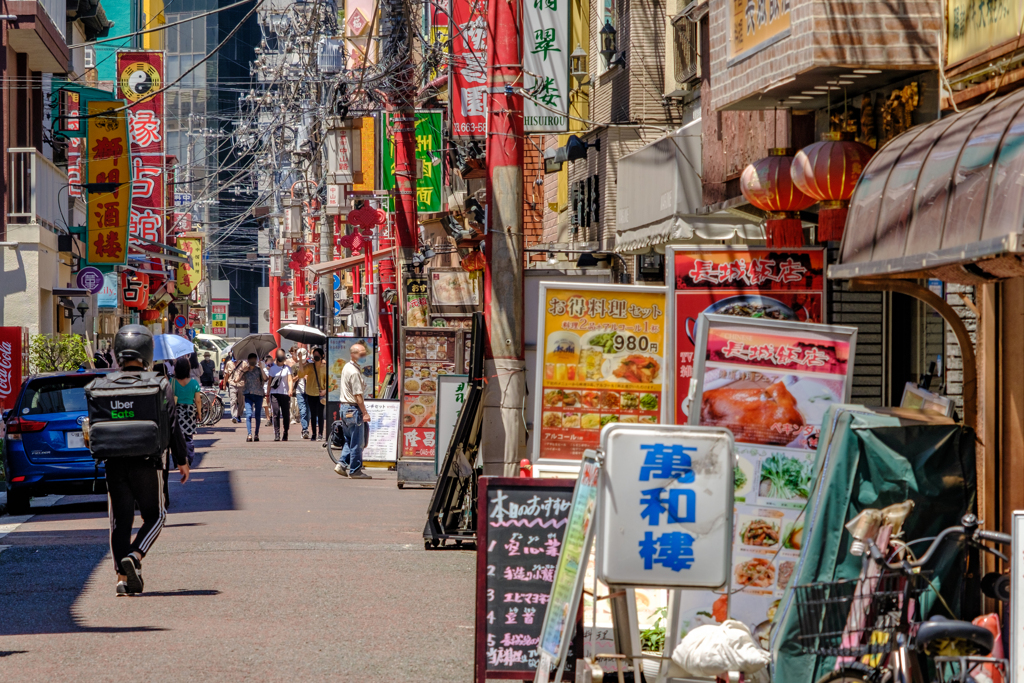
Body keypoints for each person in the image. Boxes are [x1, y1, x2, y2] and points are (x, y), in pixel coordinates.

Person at [102, 325, 190, 596]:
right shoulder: (159, 385)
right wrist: (182, 459)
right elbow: (172, 424)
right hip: (148, 462)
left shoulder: (105, 385)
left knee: (120, 522)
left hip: (114, 461)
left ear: (118, 353)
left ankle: (121, 577)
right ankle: (136, 556)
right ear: (148, 353)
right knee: (156, 516)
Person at [333, 342, 372, 479]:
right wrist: (365, 412)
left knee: (349, 439)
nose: (364, 357)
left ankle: (342, 464)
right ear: (353, 355)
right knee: (357, 442)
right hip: (353, 409)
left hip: (344, 408)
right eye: (361, 355)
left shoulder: (347, 367)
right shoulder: (354, 372)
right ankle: (355, 470)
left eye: (364, 354)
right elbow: (358, 396)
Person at [173, 356, 203, 466]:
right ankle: (189, 460)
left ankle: (177, 462)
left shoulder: (172, 382)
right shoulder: (194, 383)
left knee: (176, 438)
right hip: (189, 412)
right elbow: (198, 400)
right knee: (188, 437)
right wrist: (199, 413)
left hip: (176, 411)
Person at [295, 347, 327, 440]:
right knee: (313, 414)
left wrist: (325, 391)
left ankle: (320, 434)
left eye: (318, 355)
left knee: (320, 414)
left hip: (321, 395)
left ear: (322, 356)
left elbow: (331, 382)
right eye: (314, 355)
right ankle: (314, 434)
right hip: (310, 393)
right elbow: (300, 374)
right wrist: (300, 361)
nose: (316, 356)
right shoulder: (309, 366)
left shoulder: (325, 368)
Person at [240, 352, 268, 442]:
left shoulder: (259, 370)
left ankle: (256, 433)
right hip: (248, 394)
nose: (253, 361)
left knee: (257, 415)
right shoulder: (245, 370)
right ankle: (249, 434)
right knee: (248, 414)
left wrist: (261, 367)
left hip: (258, 394)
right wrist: (243, 371)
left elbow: (265, 378)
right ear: (248, 360)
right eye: (251, 359)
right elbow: (236, 379)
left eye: (254, 359)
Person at [267, 349, 293, 441]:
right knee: (276, 413)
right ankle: (277, 433)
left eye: (283, 355)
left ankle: (285, 431)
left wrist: (290, 389)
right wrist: (267, 394)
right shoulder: (273, 368)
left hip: (285, 393)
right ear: (277, 357)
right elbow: (270, 382)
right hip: (274, 393)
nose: (282, 357)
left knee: (286, 414)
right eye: (280, 355)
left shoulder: (287, 368)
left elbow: (290, 380)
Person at [226, 355, 246, 423]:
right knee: (233, 400)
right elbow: (226, 374)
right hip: (232, 384)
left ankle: (239, 415)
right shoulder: (229, 363)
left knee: (241, 402)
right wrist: (224, 384)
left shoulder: (244, 363)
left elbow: (247, 373)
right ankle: (234, 416)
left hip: (241, 384)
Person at [291, 348, 307, 430]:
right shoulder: (295, 366)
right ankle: (305, 429)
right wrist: (299, 376)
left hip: (309, 390)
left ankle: (306, 426)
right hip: (298, 390)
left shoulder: (310, 365)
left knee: (308, 412)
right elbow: (291, 379)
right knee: (302, 410)